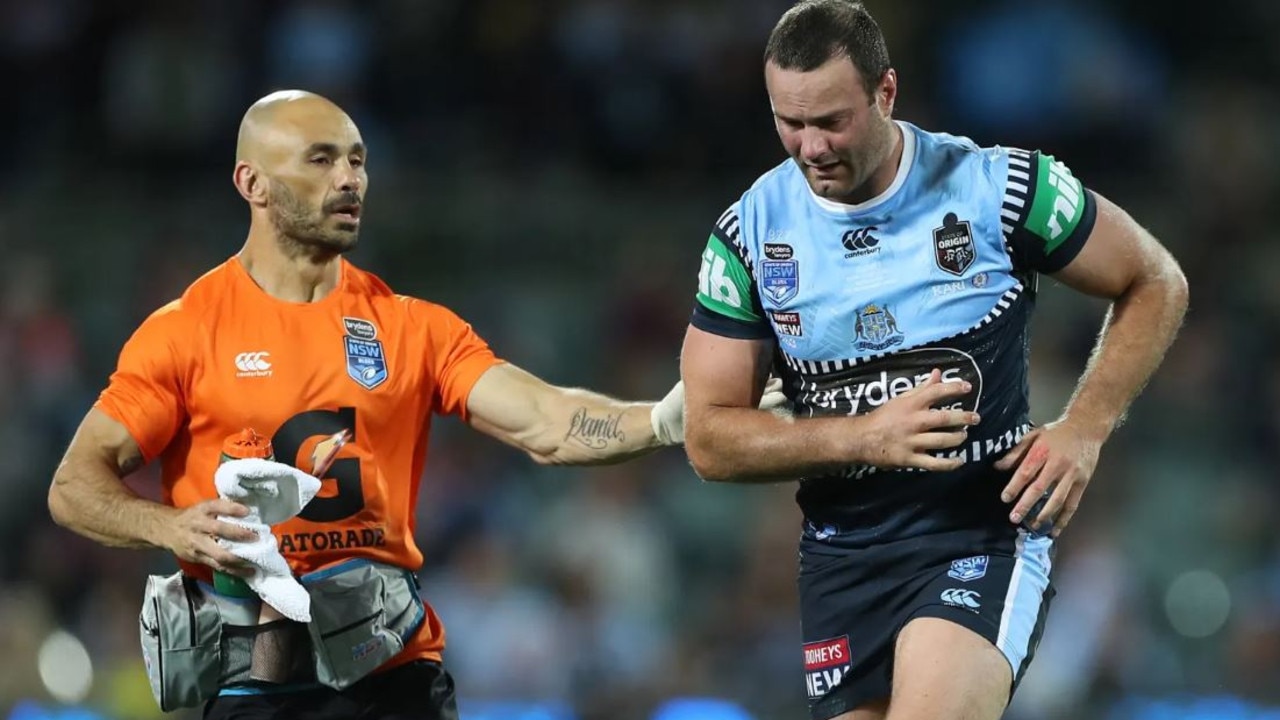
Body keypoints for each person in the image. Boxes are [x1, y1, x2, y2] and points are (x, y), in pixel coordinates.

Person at [45, 89, 763, 720]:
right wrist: (172, 526)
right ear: (252, 183)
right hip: (252, 685)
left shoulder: (409, 327)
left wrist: (669, 419)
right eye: (322, 160)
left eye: (357, 160)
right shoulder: (185, 332)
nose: (350, 179)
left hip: (394, 680)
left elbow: (545, 421)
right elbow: (75, 485)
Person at [678, 2, 1189, 720]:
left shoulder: (999, 190)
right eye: (789, 123)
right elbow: (709, 438)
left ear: (886, 93)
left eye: (831, 120)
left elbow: (1155, 280)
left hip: (975, 532)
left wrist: (1086, 426)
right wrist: (865, 437)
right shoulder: (749, 235)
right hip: (841, 557)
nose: (810, 146)